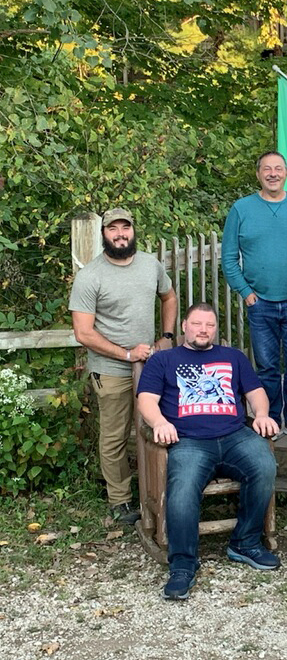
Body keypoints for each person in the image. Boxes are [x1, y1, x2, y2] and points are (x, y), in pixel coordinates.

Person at [137, 303, 279, 601]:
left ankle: (245, 542)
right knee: (184, 488)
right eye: (197, 324)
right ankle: (183, 563)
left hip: (235, 435)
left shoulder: (233, 357)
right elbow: (146, 400)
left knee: (264, 466)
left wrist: (262, 414)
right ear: (184, 327)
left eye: (210, 325)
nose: (203, 330)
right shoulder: (164, 360)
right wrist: (160, 422)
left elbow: (256, 393)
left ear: (216, 329)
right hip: (189, 441)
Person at [69, 207, 177, 524]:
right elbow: (83, 333)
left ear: (133, 230)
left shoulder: (150, 265)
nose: (120, 234)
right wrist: (127, 354)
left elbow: (168, 298)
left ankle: (162, 492)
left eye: (125, 228)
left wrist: (167, 336)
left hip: (153, 370)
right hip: (111, 370)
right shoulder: (90, 276)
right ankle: (120, 501)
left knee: (161, 428)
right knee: (115, 438)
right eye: (112, 229)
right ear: (104, 234)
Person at [221, 151, 287, 442]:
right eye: (267, 169)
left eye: (278, 168)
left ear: (286, 173)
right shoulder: (242, 208)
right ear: (258, 174)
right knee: (265, 366)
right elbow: (228, 258)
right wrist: (246, 292)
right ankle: (271, 417)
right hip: (260, 302)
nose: (273, 173)